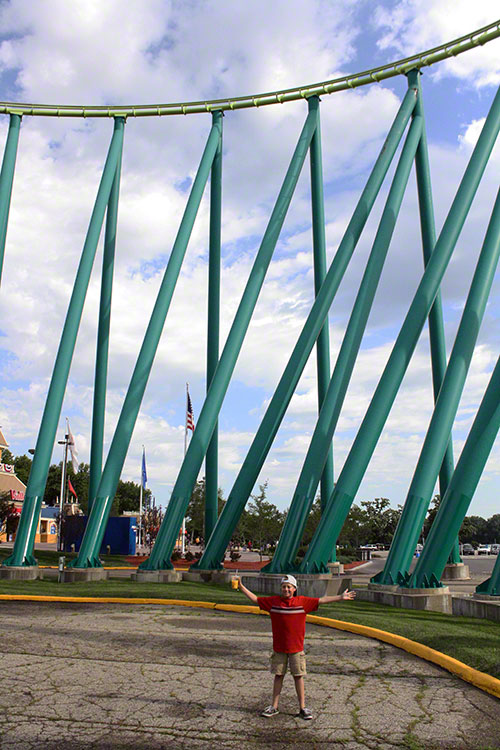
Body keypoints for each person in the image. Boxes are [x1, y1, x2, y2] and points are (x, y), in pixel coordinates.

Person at [237, 573, 356, 720]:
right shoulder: (273, 602)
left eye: (289, 587)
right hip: (280, 648)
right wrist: (241, 587)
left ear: (294, 589)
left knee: (298, 676)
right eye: (284, 587)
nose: (286, 589)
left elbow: (321, 600)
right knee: (278, 675)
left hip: (296, 649)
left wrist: (340, 597)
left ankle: (302, 707)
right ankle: (274, 706)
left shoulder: (302, 602)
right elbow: (255, 599)